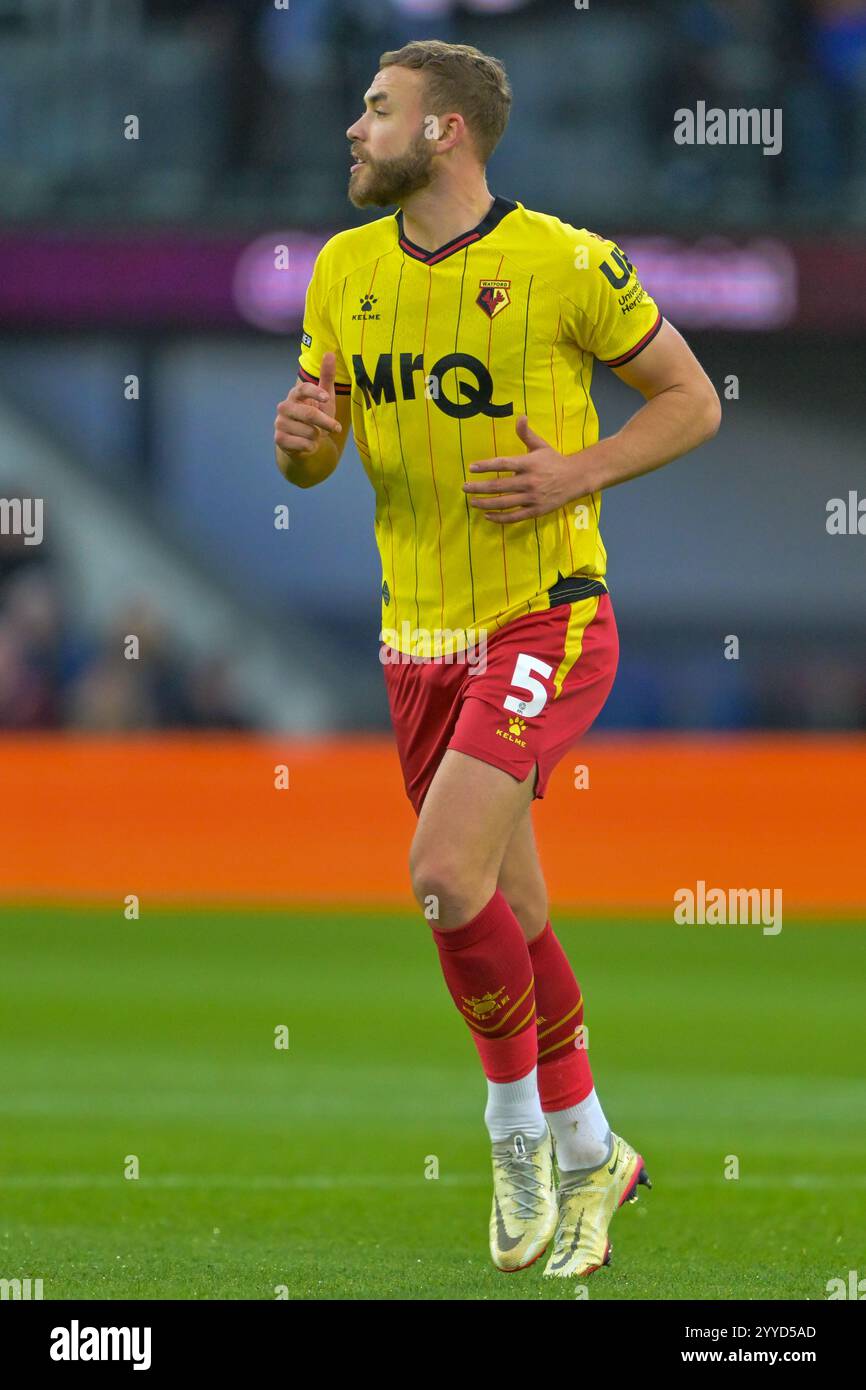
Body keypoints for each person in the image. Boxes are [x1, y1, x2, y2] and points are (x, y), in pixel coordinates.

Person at [274, 39, 720, 1279]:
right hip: (412, 637)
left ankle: (512, 1128)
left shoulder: (564, 263)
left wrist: (579, 470)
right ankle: (594, 1152)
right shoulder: (341, 272)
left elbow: (692, 399)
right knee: (507, 909)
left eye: (375, 110)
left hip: (547, 612)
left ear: (446, 133)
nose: (353, 130)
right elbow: (313, 452)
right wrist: (301, 442)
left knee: (436, 872)